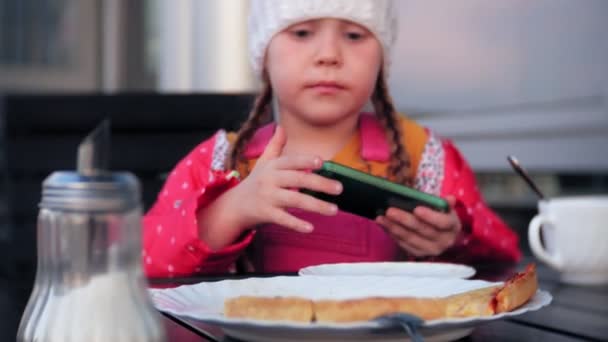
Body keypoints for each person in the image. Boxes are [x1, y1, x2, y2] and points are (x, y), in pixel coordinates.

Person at [142, 0, 521, 278]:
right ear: (264, 53)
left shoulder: (427, 157)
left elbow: (503, 255)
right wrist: (230, 210)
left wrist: (454, 240)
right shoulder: (220, 160)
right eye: (301, 32)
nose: (329, 55)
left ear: (381, 59)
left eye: (355, 35)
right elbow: (145, 257)